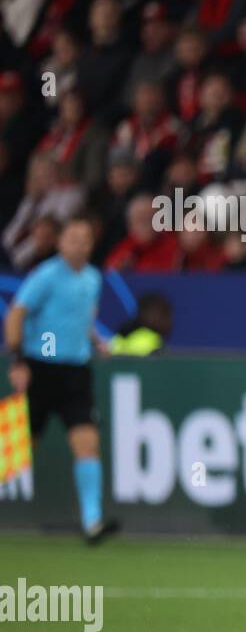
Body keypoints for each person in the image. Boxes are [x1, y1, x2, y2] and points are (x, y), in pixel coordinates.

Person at [3, 216, 118, 543]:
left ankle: (92, 521)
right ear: (60, 242)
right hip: (41, 368)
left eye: (85, 239)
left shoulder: (94, 278)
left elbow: (83, 318)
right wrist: (18, 361)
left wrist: (96, 341)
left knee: (87, 443)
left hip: (75, 373)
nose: (79, 244)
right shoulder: (46, 276)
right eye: (73, 238)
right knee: (15, 450)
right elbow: (16, 314)